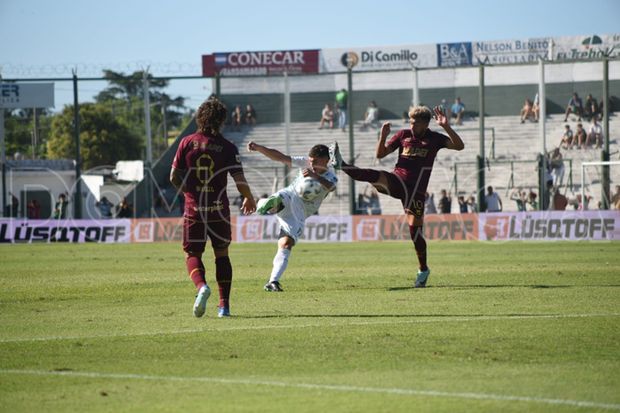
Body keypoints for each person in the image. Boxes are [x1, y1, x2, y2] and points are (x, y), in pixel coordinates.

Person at [331, 105, 464, 288]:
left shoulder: (435, 138)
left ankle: (423, 269)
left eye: (415, 123)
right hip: (397, 180)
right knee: (373, 174)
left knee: (415, 232)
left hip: (415, 192)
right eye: (410, 121)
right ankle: (341, 164)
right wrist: (383, 136)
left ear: (425, 124)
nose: (411, 125)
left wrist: (446, 127)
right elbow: (380, 154)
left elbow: (459, 146)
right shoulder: (403, 135)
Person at [170, 97, 256, 318]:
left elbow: (173, 177)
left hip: (194, 209)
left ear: (200, 117)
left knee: (192, 253)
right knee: (222, 255)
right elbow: (239, 180)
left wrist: (188, 193)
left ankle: (201, 287)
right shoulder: (227, 147)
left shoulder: (186, 142)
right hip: (219, 210)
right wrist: (249, 198)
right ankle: (224, 306)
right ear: (221, 121)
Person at [247, 142, 337, 292]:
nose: (311, 164)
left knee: (286, 244)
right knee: (276, 200)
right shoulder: (305, 162)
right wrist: (259, 148)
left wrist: (315, 177)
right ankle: (264, 205)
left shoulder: (330, 176)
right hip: (289, 196)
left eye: (315, 161)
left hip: (299, 213)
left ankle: (273, 282)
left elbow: (332, 187)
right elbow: (280, 157)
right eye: (310, 160)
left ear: (325, 160)